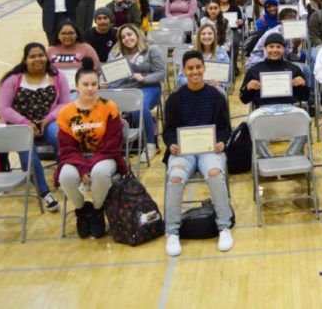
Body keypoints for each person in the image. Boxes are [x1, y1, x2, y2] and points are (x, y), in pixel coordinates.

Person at [163, 51, 234, 257]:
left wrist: (222, 141)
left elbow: (225, 127)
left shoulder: (216, 96)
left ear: (204, 68)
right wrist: (171, 144)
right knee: (175, 177)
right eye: (190, 68)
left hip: (209, 149)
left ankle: (224, 227)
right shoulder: (174, 99)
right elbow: (167, 130)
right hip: (183, 151)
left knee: (214, 173)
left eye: (198, 67)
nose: (195, 71)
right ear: (184, 71)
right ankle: (172, 231)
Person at [56, 58, 127, 238]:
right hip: (76, 157)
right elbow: (66, 147)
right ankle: (81, 210)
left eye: (94, 84)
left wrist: (91, 164)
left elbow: (112, 143)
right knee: (66, 176)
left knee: (99, 173)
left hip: (105, 155)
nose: (90, 88)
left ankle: (97, 210)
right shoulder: (65, 113)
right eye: (85, 84)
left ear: (99, 85)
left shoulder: (109, 107)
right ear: (76, 86)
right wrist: (81, 167)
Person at [0, 42, 69, 211]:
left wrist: (47, 119)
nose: (37, 59)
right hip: (20, 126)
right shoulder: (13, 79)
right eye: (32, 56)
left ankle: (64, 176)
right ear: (25, 59)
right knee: (27, 151)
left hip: (48, 121)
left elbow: (65, 103)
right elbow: (3, 108)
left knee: (61, 137)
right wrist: (26, 123)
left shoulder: (58, 76)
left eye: (40, 55)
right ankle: (44, 192)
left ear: (46, 57)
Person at [105, 24, 163, 160]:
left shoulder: (151, 49)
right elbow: (107, 71)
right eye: (123, 37)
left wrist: (144, 78)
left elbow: (161, 73)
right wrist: (103, 80)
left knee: (139, 107)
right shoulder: (115, 51)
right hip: (123, 88)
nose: (127, 38)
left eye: (129, 34)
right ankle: (108, 146)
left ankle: (150, 144)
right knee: (101, 104)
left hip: (147, 87)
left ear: (137, 34)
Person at [178, 24, 231, 89]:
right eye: (203, 34)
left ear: (214, 36)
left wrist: (220, 85)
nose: (206, 36)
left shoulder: (222, 54)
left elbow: (227, 78)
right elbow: (180, 79)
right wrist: (196, 80)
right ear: (199, 37)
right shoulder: (190, 55)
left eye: (210, 33)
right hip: (193, 90)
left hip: (214, 91)